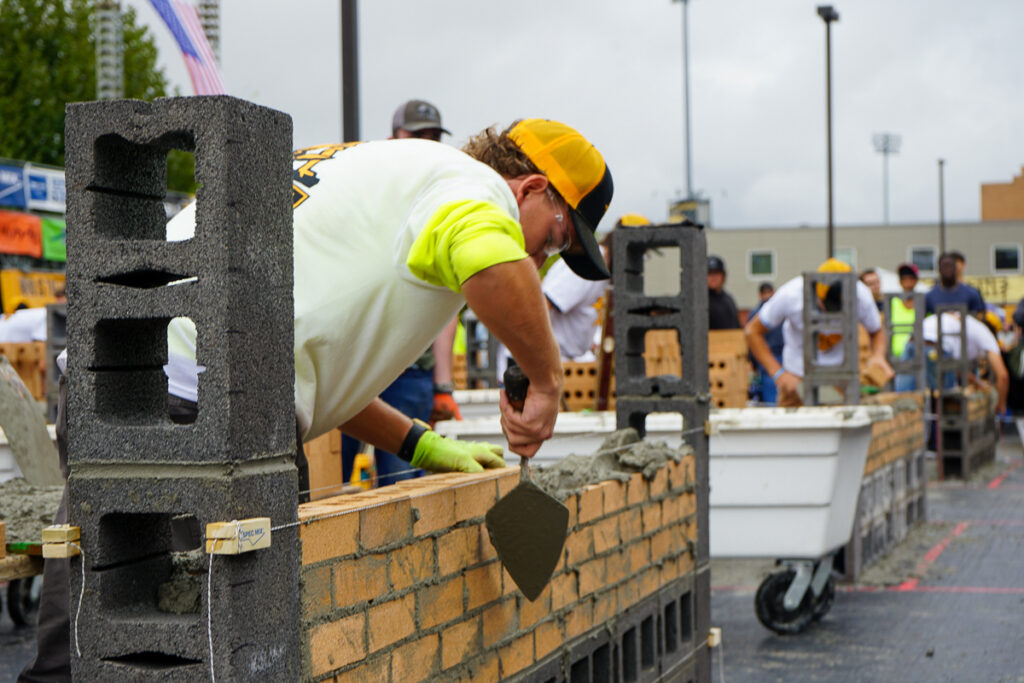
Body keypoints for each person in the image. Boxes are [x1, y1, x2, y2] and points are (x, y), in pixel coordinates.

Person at [21, 118, 614, 682]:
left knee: (86, 624)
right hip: (206, 412)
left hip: (122, 376)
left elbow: (307, 366)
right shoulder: (473, 189)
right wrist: (544, 381)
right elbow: (488, 255)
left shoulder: (387, 175)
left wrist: (420, 444)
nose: (539, 261)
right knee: (216, 649)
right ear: (531, 187)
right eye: (555, 240)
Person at [338, 100, 461, 486]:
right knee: (343, 489)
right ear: (394, 138)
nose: (426, 143)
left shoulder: (438, 206)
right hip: (356, 367)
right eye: (417, 134)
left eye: (433, 136)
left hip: (409, 372)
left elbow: (445, 303)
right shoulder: (369, 193)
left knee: (404, 489)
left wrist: (442, 386)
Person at [745, 258, 894, 407]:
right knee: (794, 426)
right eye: (828, 306)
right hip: (797, 376)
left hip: (840, 376)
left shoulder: (861, 296)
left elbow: (876, 330)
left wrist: (878, 356)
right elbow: (752, 331)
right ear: (817, 293)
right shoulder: (791, 295)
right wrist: (778, 374)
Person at [495, 249, 609, 379]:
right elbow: (541, 305)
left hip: (558, 361)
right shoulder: (589, 265)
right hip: (534, 361)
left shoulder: (601, 270)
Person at [748, 281, 783, 403]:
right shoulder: (757, 313)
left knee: (780, 388)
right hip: (769, 355)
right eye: (765, 292)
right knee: (772, 388)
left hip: (775, 355)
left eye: (769, 292)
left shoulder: (758, 312)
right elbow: (751, 337)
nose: (767, 295)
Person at [890, 263, 919, 358]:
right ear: (900, 282)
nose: (908, 282)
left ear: (916, 281)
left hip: (917, 355)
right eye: (904, 279)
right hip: (895, 356)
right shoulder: (893, 302)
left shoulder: (922, 302)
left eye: (911, 278)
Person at [707, 255, 740, 330]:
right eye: (710, 274)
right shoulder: (700, 302)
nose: (713, 277)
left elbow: (736, 325)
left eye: (717, 273)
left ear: (723, 276)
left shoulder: (728, 299)